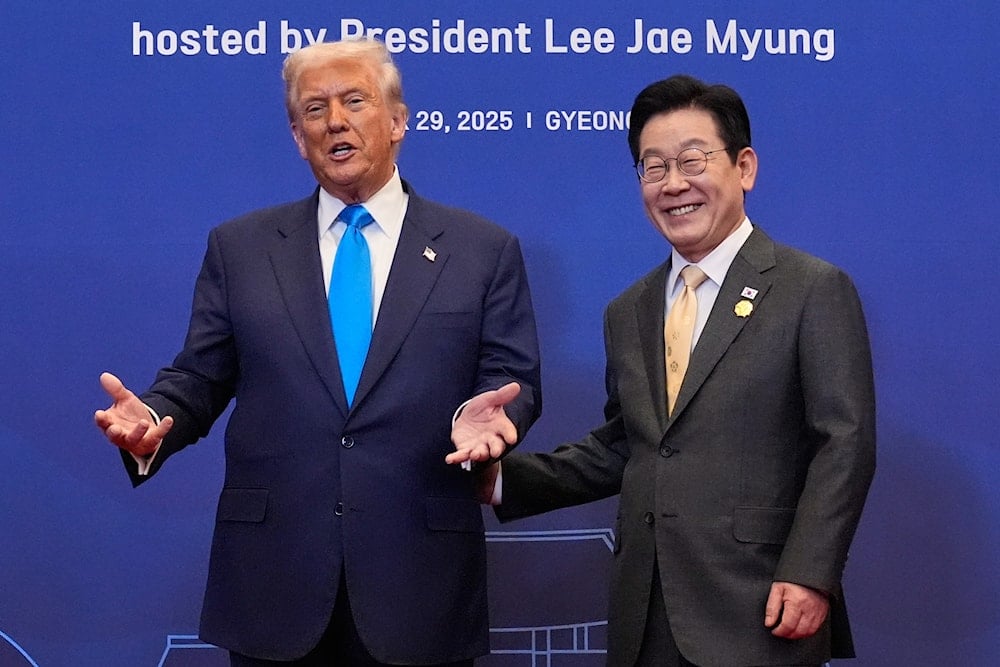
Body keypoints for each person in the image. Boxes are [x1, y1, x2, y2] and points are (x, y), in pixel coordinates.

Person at [94, 39, 541, 666]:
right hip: (274, 580)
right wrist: (152, 422)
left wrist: (496, 419)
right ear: (298, 137)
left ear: (396, 121)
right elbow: (198, 375)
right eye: (314, 109)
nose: (335, 120)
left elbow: (512, 375)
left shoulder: (482, 249)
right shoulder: (241, 248)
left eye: (354, 101)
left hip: (418, 578)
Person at [449, 74, 876, 666]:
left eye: (693, 160)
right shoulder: (630, 309)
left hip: (762, 606)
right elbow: (630, 447)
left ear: (744, 167)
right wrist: (499, 480)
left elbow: (844, 445)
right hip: (645, 614)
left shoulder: (812, 289)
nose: (674, 184)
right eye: (654, 168)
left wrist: (811, 573)